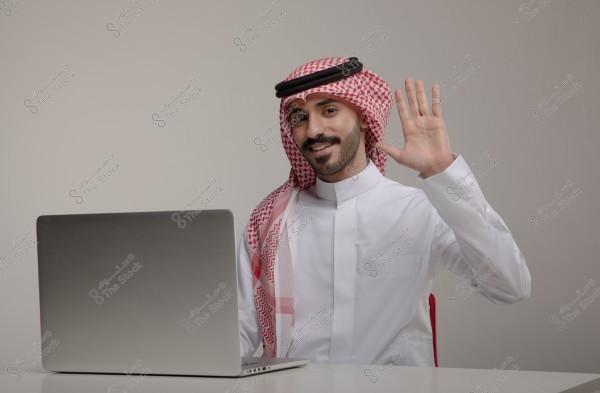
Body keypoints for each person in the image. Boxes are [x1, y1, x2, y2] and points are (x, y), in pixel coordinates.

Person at [237, 56, 531, 366]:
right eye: (299, 117)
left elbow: (510, 287)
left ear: (363, 116)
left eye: (329, 110)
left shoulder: (421, 210)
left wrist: (443, 174)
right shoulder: (271, 222)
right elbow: (237, 335)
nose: (313, 130)